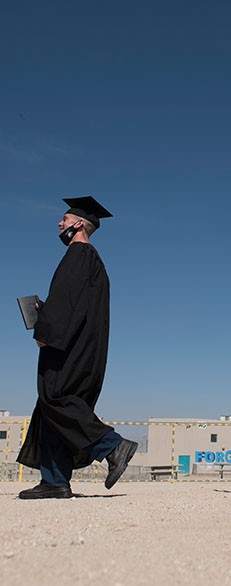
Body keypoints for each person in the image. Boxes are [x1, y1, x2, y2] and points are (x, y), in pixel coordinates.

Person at [17, 196, 138, 499]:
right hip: (81, 346)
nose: (60, 224)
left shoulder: (80, 255)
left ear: (80, 224)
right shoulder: (91, 261)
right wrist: (44, 312)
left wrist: (44, 332)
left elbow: (67, 303)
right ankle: (55, 480)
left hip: (66, 348)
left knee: (57, 397)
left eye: (65, 220)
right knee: (50, 407)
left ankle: (112, 445)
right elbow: (75, 305)